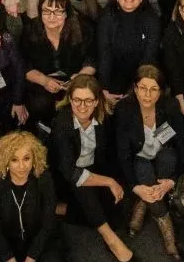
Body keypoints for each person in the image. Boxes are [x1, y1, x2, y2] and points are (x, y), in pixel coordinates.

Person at [48, 73, 132, 260]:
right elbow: (69, 171)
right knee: (82, 186)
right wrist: (109, 182)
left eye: (88, 101)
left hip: (94, 171)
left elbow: (110, 155)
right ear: (70, 99)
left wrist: (116, 180)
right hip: (66, 179)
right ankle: (112, 241)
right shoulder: (62, 124)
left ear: (96, 102)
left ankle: (60, 210)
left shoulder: (104, 119)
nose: (82, 106)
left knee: (114, 212)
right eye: (77, 100)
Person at [111, 65, 184, 256]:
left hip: (164, 158)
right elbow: (122, 154)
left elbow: (183, 145)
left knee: (168, 157)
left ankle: (143, 203)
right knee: (144, 169)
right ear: (135, 88)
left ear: (160, 91)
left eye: (153, 89)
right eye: (142, 88)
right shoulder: (124, 109)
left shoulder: (170, 106)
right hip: (138, 159)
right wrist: (134, 187)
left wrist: (173, 180)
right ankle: (167, 231)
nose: (147, 95)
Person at [20, 0, 96, 129]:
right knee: (38, 104)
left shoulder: (83, 28)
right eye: (46, 11)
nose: (51, 16)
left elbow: (92, 59)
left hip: (76, 76)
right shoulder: (31, 30)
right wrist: (44, 80)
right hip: (44, 77)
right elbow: (24, 64)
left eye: (58, 11)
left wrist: (79, 78)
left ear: (66, 13)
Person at [0, 132, 62, 262]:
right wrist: (8, 257)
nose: (21, 166)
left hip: (39, 241)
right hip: (7, 242)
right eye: (14, 160)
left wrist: (32, 257)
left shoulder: (44, 178)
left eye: (26, 159)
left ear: (34, 158)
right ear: (5, 160)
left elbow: (48, 223)